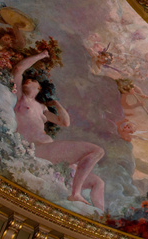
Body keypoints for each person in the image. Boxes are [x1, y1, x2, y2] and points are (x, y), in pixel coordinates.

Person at [12, 52, 106, 210]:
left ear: (39, 88)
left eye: (33, 80)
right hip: (38, 148)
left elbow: (65, 122)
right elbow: (19, 69)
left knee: (98, 182)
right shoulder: (21, 99)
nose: (28, 80)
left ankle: (100, 217)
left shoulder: (42, 109)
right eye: (27, 79)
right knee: (96, 151)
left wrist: (55, 103)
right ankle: (75, 193)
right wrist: (42, 55)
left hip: (50, 150)